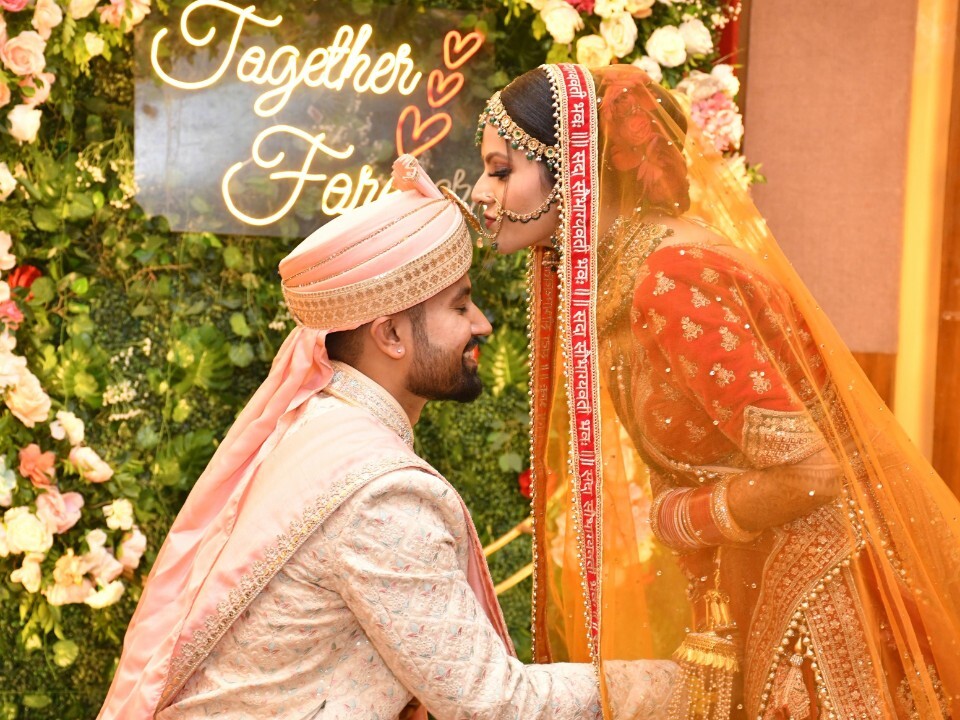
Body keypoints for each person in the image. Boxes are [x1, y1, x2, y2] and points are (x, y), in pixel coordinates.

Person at [96, 155, 676, 720]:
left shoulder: (321, 428)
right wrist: (677, 686)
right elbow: (497, 704)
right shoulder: (378, 497)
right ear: (391, 333)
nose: (482, 325)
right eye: (460, 306)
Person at [471, 63, 960, 720]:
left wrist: (677, 517)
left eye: (502, 171)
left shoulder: (670, 279)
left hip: (816, 606)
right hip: (748, 586)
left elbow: (817, 470)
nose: (479, 191)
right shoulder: (624, 273)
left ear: (576, 165)